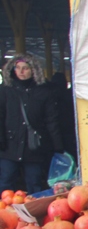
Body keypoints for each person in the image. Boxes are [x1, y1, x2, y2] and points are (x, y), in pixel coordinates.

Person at [0, 54, 63, 194]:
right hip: (9, 146)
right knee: (5, 181)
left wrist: (57, 146)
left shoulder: (44, 92)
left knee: (34, 183)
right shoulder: (5, 90)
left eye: (25, 68)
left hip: (34, 147)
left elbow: (51, 120)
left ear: (33, 70)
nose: (21, 72)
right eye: (18, 68)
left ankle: (33, 212)